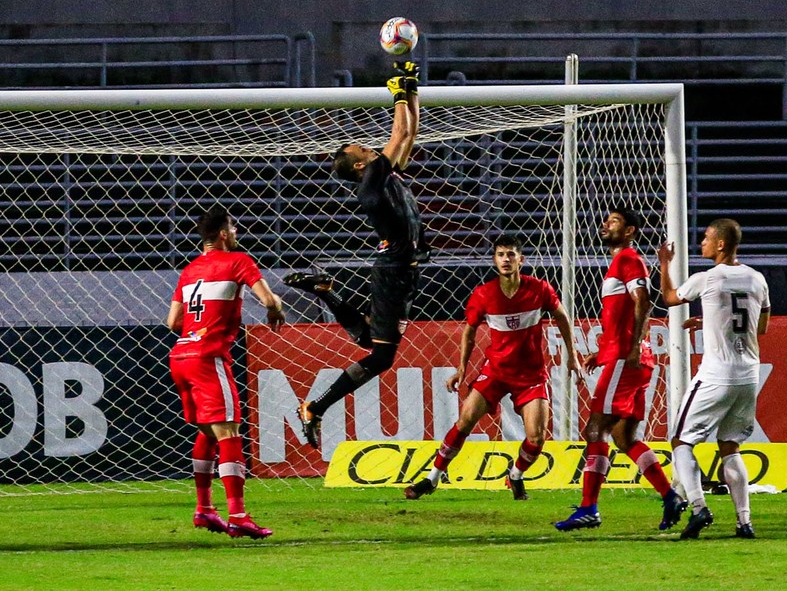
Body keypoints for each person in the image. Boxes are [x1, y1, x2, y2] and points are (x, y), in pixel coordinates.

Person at [285, 62, 428, 450]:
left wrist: (410, 88)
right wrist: (398, 91)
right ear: (361, 164)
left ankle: (327, 291)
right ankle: (315, 406)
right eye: (364, 149)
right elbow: (399, 131)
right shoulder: (372, 184)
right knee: (380, 356)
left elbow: (409, 134)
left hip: (400, 270)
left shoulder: (380, 176)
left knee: (372, 340)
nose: (372, 147)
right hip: (394, 272)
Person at [404, 235, 584, 501]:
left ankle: (515, 476)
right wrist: (462, 370)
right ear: (494, 261)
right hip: (496, 372)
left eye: (511, 254)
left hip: (531, 374)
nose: (506, 259)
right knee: (465, 420)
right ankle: (432, 478)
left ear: (521, 260)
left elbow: (562, 317)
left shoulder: (539, 289)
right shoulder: (484, 294)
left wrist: (573, 357)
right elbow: (469, 332)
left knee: (536, 438)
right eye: (500, 255)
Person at [555, 208, 688, 532]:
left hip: (627, 360)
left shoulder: (628, 259)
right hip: (628, 359)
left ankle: (589, 508)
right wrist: (603, 352)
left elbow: (643, 301)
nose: (605, 224)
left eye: (613, 221)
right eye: (607, 220)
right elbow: (622, 317)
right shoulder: (619, 263)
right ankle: (670, 495)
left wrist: (632, 345)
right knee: (623, 436)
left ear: (629, 231)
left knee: (594, 429)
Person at [166, 206, 285, 539]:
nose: (236, 233)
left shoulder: (189, 271)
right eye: (233, 228)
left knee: (208, 432)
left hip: (181, 356)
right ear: (223, 233)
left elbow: (172, 322)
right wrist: (277, 305)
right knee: (230, 433)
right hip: (209, 358)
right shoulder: (238, 261)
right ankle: (238, 515)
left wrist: (199, 326)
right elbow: (267, 301)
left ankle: (204, 509)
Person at [657, 218, 770, 540]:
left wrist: (665, 263)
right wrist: (709, 320)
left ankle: (698, 507)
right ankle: (744, 522)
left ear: (721, 244)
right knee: (730, 446)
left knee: (681, 442)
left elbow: (669, 297)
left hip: (716, 375)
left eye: (706, 238)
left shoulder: (706, 279)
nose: (702, 243)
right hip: (748, 375)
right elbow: (759, 327)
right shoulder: (757, 279)